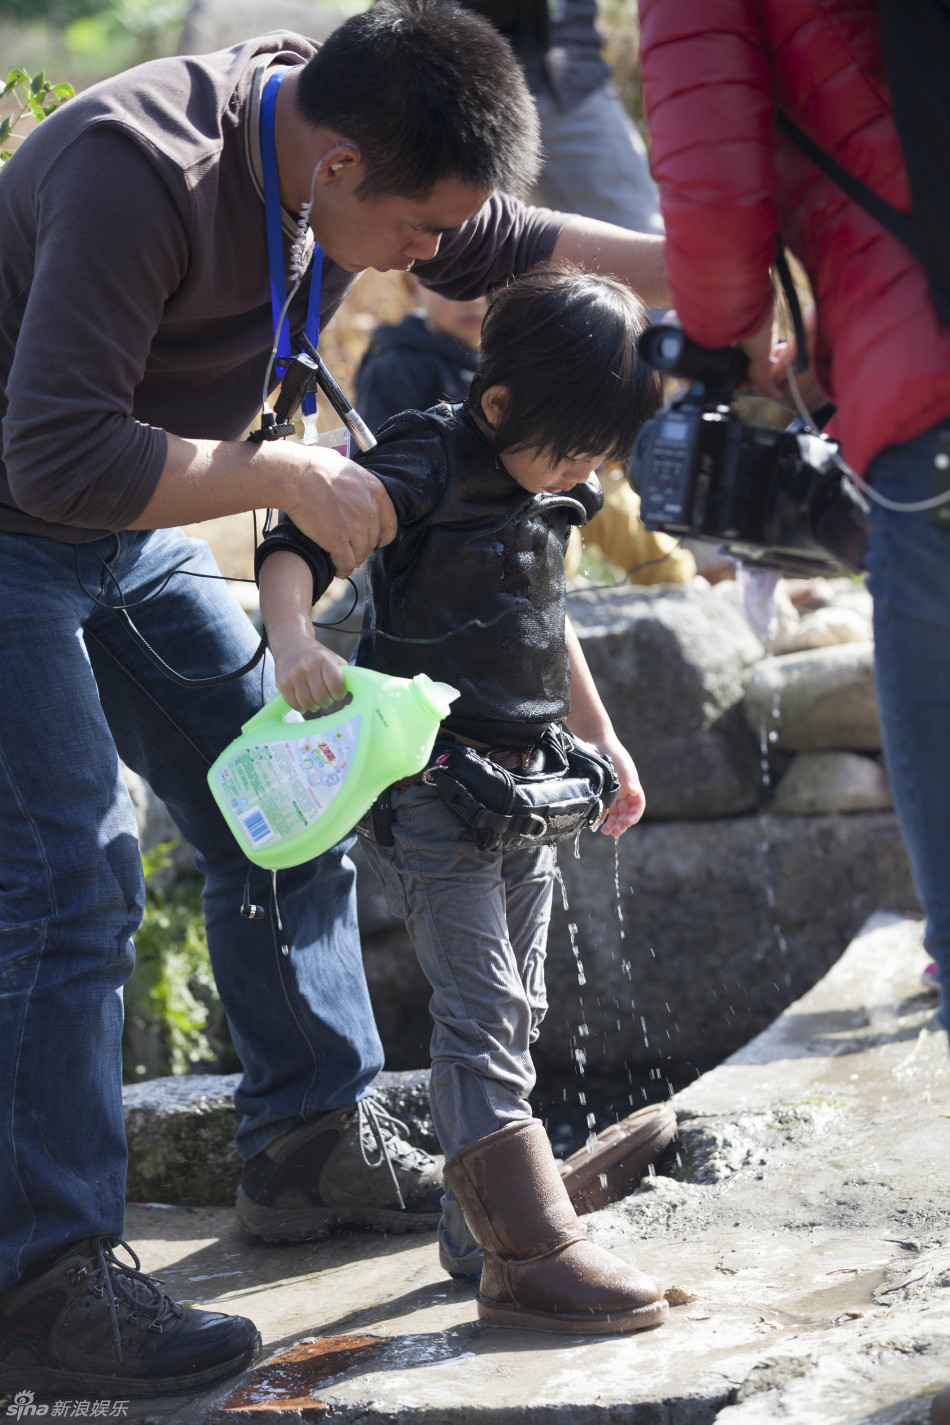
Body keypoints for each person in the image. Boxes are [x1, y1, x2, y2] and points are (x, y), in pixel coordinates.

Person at [0, 0, 668, 1397]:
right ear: (342, 167)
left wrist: (707, 287)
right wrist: (282, 478)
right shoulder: (144, 172)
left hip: (115, 529)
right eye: (419, 236)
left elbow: (514, 239)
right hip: (27, 512)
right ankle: (45, 1282)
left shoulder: (339, 146)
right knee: (76, 877)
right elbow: (57, 452)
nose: (432, 269)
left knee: (291, 786)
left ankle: (305, 1138)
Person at [256, 266, 667, 1334]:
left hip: (523, 779)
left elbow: (546, 608)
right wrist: (294, 640)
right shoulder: (425, 459)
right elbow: (296, 539)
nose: (579, 475)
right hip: (431, 781)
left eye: (592, 459)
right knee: (481, 1007)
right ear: (495, 406)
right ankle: (523, 1250)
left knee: (515, 1005)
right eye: (572, 452)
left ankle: (470, 1219)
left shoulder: (548, 484)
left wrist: (599, 730)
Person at [354, 276, 486, 434]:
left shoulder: (510, 360)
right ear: (412, 285)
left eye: (491, 281)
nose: (475, 300)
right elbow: (381, 454)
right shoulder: (398, 368)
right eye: (454, 281)